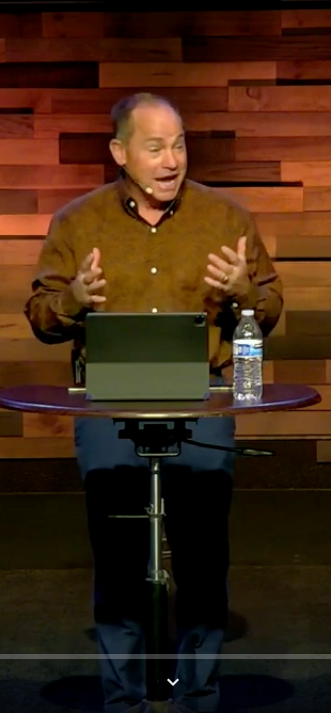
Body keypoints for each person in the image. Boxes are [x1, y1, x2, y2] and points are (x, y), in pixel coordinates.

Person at [24, 92, 283, 713]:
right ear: (120, 153)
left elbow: (271, 311)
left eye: (180, 144)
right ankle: (124, 700)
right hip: (107, 407)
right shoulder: (78, 221)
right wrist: (75, 299)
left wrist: (247, 291)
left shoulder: (226, 218)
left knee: (202, 557)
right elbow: (39, 315)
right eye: (155, 146)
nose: (172, 160)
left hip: (207, 402)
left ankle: (198, 697)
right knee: (116, 561)